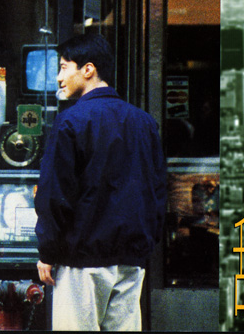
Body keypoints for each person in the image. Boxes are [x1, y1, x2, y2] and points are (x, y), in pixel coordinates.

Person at [34, 33, 167, 331]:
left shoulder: (71, 121)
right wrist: (145, 243)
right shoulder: (144, 122)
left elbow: (55, 195)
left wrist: (47, 252)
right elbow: (158, 191)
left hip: (83, 260)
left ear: (88, 69)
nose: (58, 77)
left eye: (64, 67)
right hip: (131, 261)